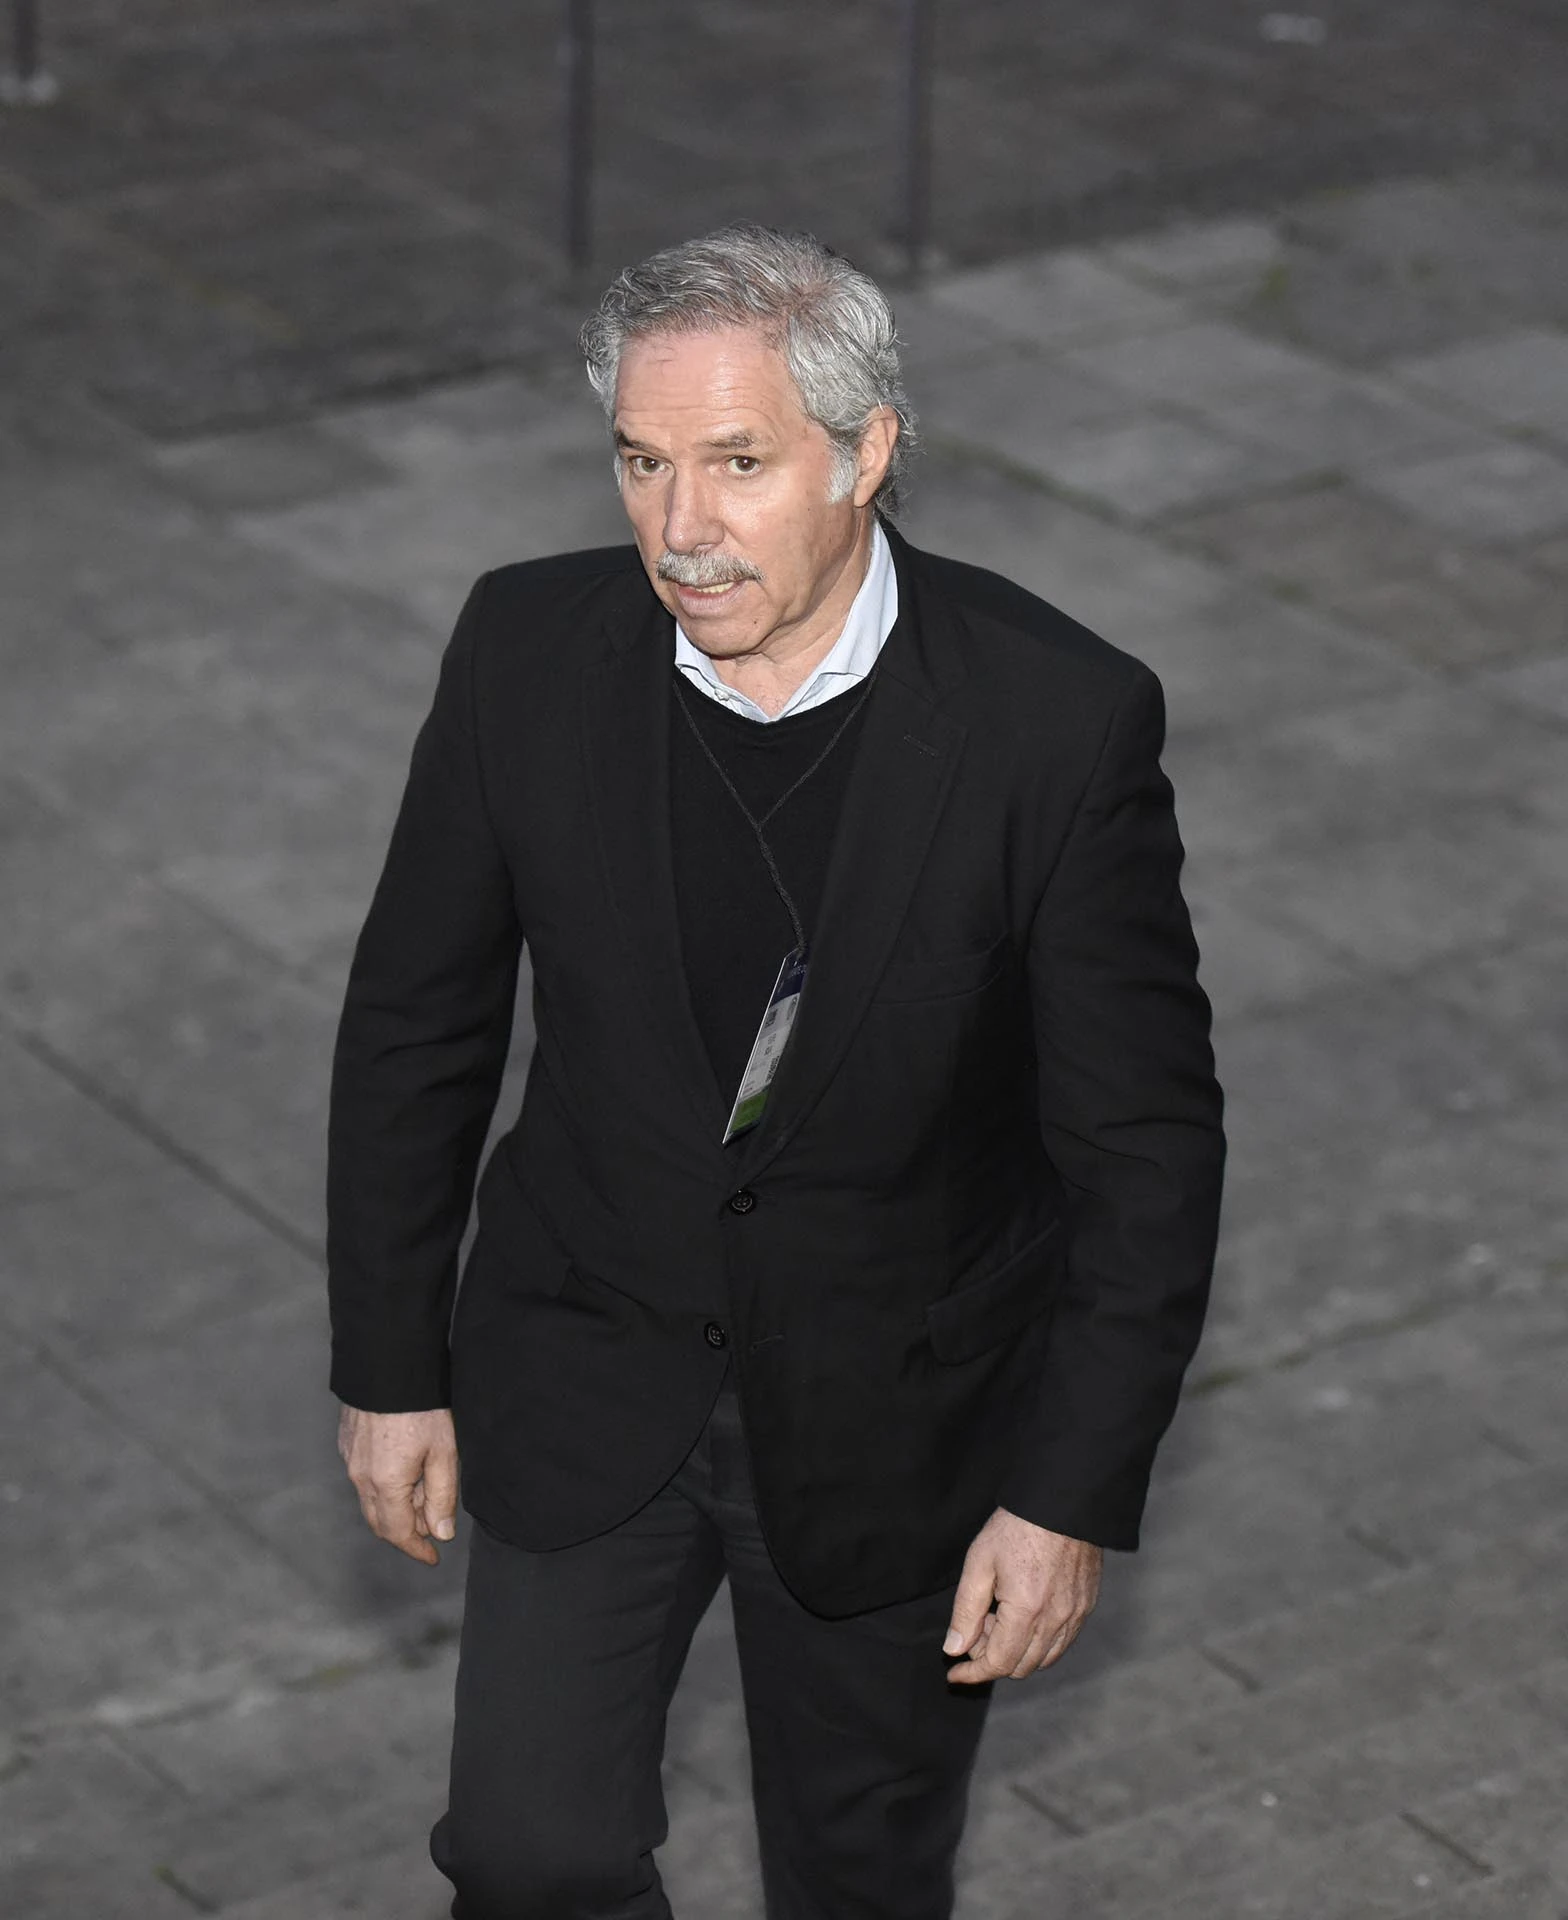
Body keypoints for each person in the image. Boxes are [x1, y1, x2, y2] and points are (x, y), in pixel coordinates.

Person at [327, 222, 1225, 1920]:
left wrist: (1065, 1495)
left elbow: (1146, 1150)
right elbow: (413, 1025)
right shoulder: (524, 651)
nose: (681, 526)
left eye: (738, 463)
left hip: (901, 1416)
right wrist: (388, 1366)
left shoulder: (1054, 722)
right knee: (527, 1857)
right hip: (588, 1361)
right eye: (642, 461)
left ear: (865, 452)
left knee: (858, 1881)